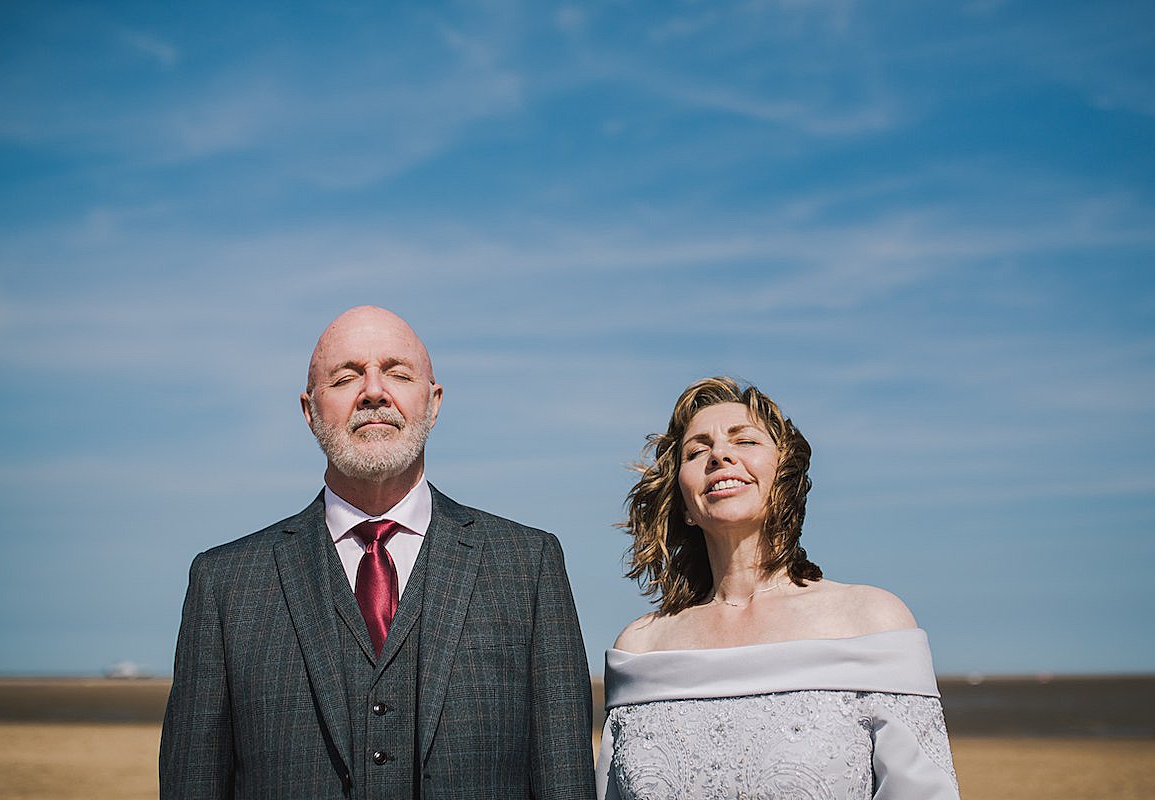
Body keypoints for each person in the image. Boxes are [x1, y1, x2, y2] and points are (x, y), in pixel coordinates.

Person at [160, 306, 596, 800]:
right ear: (309, 412)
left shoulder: (528, 567)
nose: (372, 391)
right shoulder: (225, 584)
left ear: (433, 403)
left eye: (397, 373)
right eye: (345, 377)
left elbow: (567, 781)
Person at [597, 377, 960, 800]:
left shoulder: (872, 620)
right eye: (696, 451)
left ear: (784, 475)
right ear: (684, 505)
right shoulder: (641, 647)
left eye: (745, 441)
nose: (720, 455)